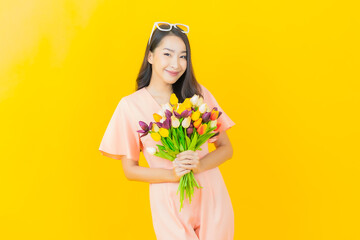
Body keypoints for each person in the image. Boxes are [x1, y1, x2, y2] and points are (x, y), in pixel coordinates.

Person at [99, 22, 236, 240]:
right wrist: (172, 175)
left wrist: (199, 164)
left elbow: (226, 148)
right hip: (169, 203)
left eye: (183, 56)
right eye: (167, 54)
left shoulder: (197, 94)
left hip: (212, 196)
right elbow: (130, 170)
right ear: (150, 56)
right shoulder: (130, 106)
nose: (176, 63)